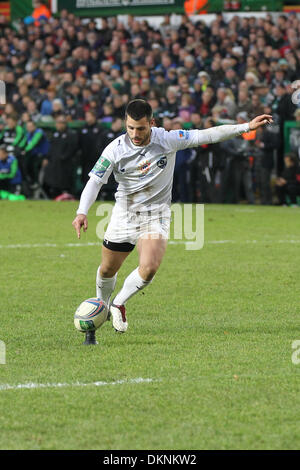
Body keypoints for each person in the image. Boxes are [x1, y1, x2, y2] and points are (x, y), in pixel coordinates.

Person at [72, 99, 273, 345]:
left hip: (156, 215)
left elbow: (205, 134)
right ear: (126, 123)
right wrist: (82, 212)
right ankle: (100, 308)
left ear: (152, 124)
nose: (135, 134)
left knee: (149, 267)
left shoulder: (167, 139)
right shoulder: (114, 149)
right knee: (107, 270)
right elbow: (94, 181)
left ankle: (118, 302)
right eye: (131, 128)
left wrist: (245, 127)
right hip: (124, 215)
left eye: (141, 128)